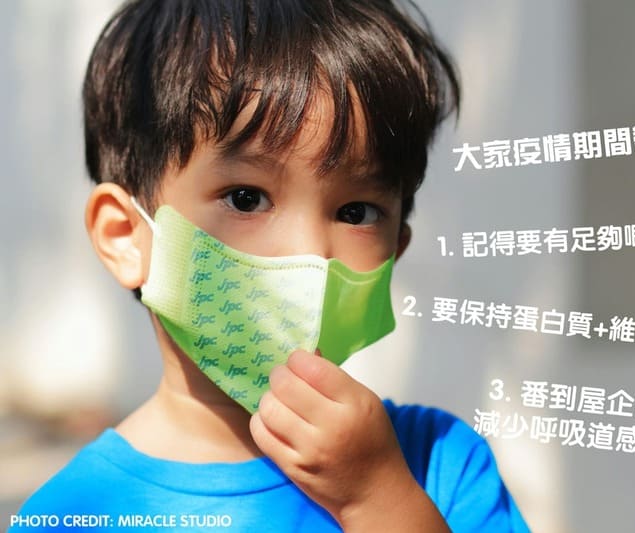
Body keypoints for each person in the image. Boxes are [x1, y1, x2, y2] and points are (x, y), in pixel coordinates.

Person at [12, 0, 530, 531]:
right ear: (126, 237)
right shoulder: (72, 514)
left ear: (396, 247)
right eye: (246, 198)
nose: (310, 251)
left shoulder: (441, 466)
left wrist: (376, 499)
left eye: (356, 212)